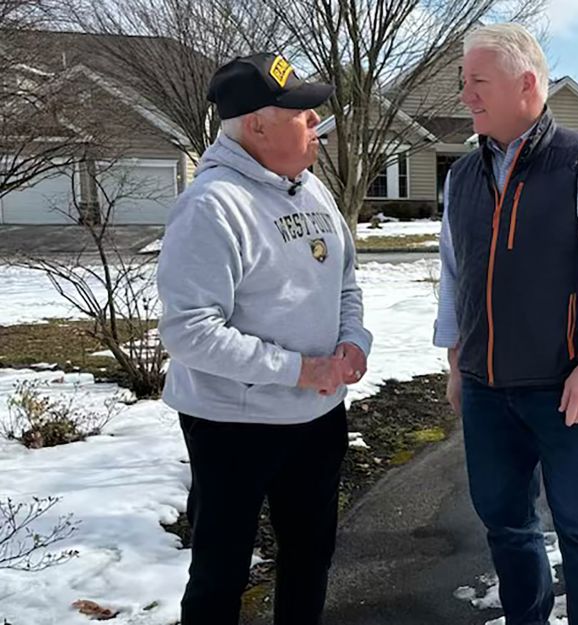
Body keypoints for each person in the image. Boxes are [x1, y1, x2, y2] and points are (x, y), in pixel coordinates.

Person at [434, 23, 578, 625]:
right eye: (464, 82)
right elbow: (455, 277)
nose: (465, 95)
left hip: (564, 387)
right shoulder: (462, 177)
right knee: (505, 524)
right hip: (484, 389)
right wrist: (456, 363)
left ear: (527, 85)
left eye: (478, 82)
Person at [156, 52, 371, 625]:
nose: (316, 128)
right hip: (233, 426)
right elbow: (189, 333)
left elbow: (345, 283)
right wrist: (301, 370)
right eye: (301, 115)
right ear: (256, 125)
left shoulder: (313, 191)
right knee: (221, 573)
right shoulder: (211, 206)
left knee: (310, 558)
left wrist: (354, 341)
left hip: (317, 418)